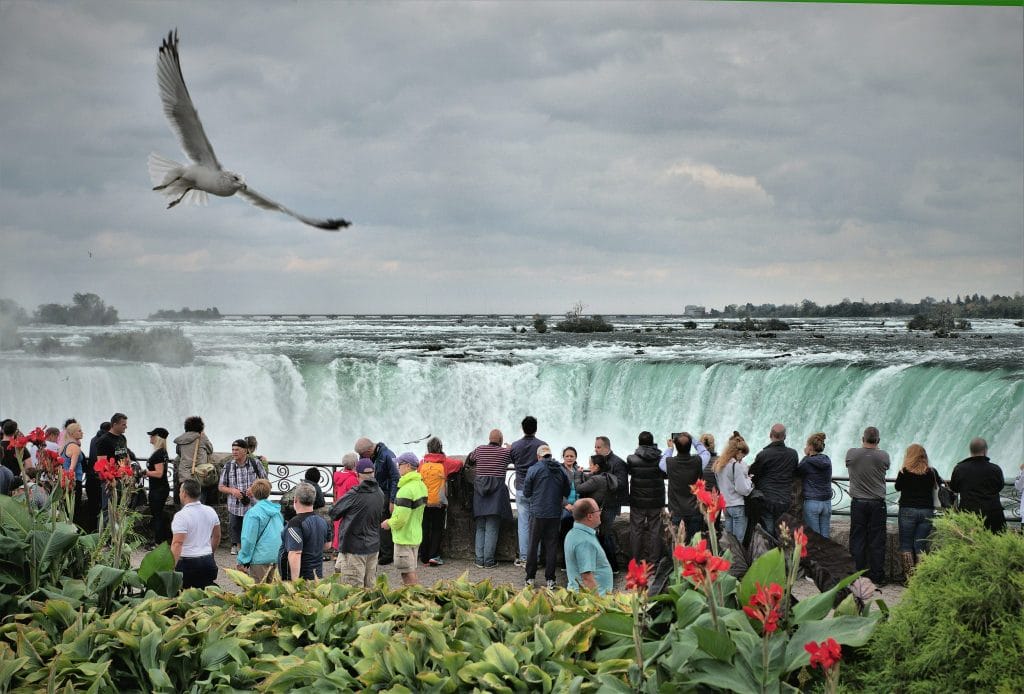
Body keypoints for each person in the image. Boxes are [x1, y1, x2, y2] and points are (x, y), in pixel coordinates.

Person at [330, 458, 387, 587]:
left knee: (353, 590)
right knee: (369, 587)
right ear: (373, 473)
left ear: (357, 474)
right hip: (373, 546)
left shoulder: (355, 494)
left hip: (354, 547)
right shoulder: (380, 493)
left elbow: (334, 513)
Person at [845, 426, 891, 585]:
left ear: (862, 439)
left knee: (857, 539)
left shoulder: (852, 454)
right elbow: (885, 465)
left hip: (858, 503)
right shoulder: (883, 455)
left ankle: (856, 576)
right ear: (878, 441)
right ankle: (877, 576)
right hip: (877, 503)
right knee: (877, 540)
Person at [523, 445, 570, 588]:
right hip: (555, 513)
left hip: (537, 513)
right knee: (551, 546)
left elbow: (527, 493)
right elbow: (566, 491)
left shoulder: (533, 469)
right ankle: (550, 579)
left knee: (533, 545)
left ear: (539, 456)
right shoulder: (561, 470)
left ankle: (530, 577)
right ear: (550, 455)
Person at [467, 429, 513, 568]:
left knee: (480, 527)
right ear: (500, 440)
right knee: (492, 527)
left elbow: (470, 459)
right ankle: (488, 561)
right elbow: (515, 457)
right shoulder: (505, 452)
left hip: (480, 492)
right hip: (496, 493)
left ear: (489, 438)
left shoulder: (480, 449)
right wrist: (510, 448)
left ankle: (479, 559)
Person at [381, 452, 428, 585]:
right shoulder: (421, 486)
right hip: (415, 534)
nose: (397, 467)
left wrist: (388, 523)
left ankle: (414, 598)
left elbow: (401, 518)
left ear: (407, 466)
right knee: (410, 570)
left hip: (404, 537)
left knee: (407, 573)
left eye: (399, 465)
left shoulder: (406, 490)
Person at [418, 437, 464, 566]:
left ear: (428, 449)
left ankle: (424, 556)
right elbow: (459, 464)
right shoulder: (445, 463)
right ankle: (434, 556)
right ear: (440, 448)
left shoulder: (422, 463)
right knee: (437, 528)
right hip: (439, 502)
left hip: (424, 502)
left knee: (425, 528)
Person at [894, 443, 939, 576]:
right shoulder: (931, 472)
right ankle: (921, 578)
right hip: (926, 511)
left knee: (906, 545)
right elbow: (938, 486)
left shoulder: (904, 472)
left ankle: (910, 578)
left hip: (907, 510)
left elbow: (897, 487)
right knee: (920, 546)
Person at [354, 437, 400, 565]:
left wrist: (392, 500)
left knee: (384, 523)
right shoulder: (374, 455)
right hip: (376, 492)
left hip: (385, 493)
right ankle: (378, 550)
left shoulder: (387, 455)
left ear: (369, 450)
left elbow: (395, 478)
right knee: (375, 522)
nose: (361, 457)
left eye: (362, 455)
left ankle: (387, 554)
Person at [219, 439, 268, 556]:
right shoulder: (228, 466)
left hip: (253, 504)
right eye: (233, 450)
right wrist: (232, 491)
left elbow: (265, 480)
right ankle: (236, 546)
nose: (234, 452)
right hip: (234, 505)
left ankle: (251, 548)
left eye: (237, 450)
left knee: (252, 527)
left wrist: (254, 488)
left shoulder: (255, 463)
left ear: (245, 451)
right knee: (235, 526)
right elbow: (221, 486)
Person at [749, 423, 799, 538]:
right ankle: (783, 553)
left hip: (767, 499)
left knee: (768, 529)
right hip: (785, 499)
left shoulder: (763, 454)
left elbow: (754, 474)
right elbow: (794, 472)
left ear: (770, 435)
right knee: (782, 530)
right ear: (785, 437)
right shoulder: (793, 454)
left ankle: (770, 552)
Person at [170, 479, 221, 589]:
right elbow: (216, 536)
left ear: (184, 493)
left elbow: (177, 543)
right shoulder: (211, 511)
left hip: (188, 563)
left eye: (180, 491)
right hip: (207, 561)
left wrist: (172, 566)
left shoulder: (181, 516)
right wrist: (210, 553)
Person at [510, 416, 547, 568]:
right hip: (538, 490)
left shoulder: (515, 446)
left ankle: (524, 557)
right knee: (536, 524)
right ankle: (535, 557)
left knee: (523, 524)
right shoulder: (542, 446)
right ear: (536, 428)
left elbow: (511, 459)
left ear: (522, 428)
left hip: (520, 489)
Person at [662, 432, 711, 544]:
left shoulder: (669, 463)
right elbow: (705, 453)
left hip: (676, 510)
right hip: (694, 510)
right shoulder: (698, 461)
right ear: (690, 446)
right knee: (695, 545)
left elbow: (661, 462)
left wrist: (670, 449)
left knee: (677, 543)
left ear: (676, 446)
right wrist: (692, 439)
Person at [950, 437, 1006, 533]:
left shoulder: (959, 468)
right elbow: (1000, 486)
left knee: (970, 544)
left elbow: (954, 488)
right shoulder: (995, 469)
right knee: (995, 545)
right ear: (985, 450)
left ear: (970, 451)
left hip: (968, 514)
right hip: (993, 514)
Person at [627, 431, 666, 566]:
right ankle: (654, 561)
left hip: (637, 501)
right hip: (656, 501)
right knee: (655, 530)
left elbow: (631, 472)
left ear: (639, 442)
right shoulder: (661, 459)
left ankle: (635, 561)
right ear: (652, 442)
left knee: (636, 530)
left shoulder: (631, 459)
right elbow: (665, 475)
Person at [282, 482, 332, 580]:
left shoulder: (295, 523)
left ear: (295, 500)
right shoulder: (323, 521)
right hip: (317, 575)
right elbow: (327, 545)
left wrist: (295, 583)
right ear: (313, 501)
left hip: (302, 579)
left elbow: (295, 553)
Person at [564, 498, 614, 595]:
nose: (600, 513)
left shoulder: (573, 533)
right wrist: (598, 604)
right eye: (598, 510)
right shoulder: (584, 541)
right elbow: (587, 578)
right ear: (590, 516)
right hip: (589, 601)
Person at [237, 479, 283, 582]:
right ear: (269, 492)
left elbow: (248, 539)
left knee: (258, 593)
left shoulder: (253, 513)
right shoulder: (277, 512)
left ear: (252, 492)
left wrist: (242, 560)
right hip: (276, 557)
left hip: (259, 559)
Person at [594, 435, 627, 571]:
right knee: (600, 533)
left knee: (605, 533)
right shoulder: (600, 461)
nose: (595, 449)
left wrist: (603, 480)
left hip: (611, 503)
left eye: (598, 447)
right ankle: (605, 565)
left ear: (607, 447)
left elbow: (622, 483)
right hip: (601, 503)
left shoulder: (618, 462)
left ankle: (613, 567)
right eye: (595, 447)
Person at [713, 432, 753, 541]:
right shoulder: (736, 466)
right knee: (738, 543)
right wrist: (749, 481)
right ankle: (735, 559)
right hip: (737, 505)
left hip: (726, 506)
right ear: (738, 452)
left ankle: (726, 558)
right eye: (743, 455)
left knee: (729, 541)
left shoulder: (719, 464)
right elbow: (743, 490)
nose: (742, 458)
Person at [797, 432, 833, 538]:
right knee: (825, 538)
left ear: (811, 447)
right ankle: (827, 555)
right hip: (827, 503)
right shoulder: (827, 460)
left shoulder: (807, 462)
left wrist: (806, 456)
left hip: (812, 503)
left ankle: (818, 555)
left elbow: (796, 472)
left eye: (807, 445)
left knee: (814, 538)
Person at [173, 416, 214, 504]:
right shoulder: (201, 438)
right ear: (200, 427)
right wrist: (204, 435)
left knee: (185, 503)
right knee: (199, 502)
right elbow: (210, 449)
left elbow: (178, 452)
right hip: (198, 475)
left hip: (184, 476)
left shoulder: (181, 440)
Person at [144, 427, 172, 546]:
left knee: (157, 515)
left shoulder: (159, 453)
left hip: (158, 489)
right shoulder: (162, 452)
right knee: (158, 514)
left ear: (158, 438)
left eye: (152, 436)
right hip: (161, 488)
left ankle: (158, 542)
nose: (150, 438)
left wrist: (144, 472)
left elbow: (159, 473)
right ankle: (161, 540)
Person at [81, 421, 110, 533]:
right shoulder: (106, 440)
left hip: (90, 478)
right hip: (100, 478)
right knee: (104, 507)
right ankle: (102, 533)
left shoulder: (93, 439)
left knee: (92, 508)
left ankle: (91, 532)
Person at [558, 447, 586, 554]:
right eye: (567, 456)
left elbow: (583, 488)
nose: (569, 458)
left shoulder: (577, 470)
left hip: (577, 505)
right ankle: (566, 558)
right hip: (565, 506)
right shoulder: (560, 471)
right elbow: (557, 491)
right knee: (566, 530)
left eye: (572, 456)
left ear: (575, 457)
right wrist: (565, 504)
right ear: (563, 457)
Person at [331, 452, 360, 551]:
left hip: (338, 508)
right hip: (347, 510)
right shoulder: (352, 479)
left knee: (338, 530)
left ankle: (336, 552)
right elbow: (356, 498)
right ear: (355, 464)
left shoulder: (337, 476)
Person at [60, 422, 87, 523]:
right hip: (73, 481)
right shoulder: (75, 447)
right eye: (79, 431)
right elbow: (72, 467)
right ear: (72, 433)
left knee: (67, 508)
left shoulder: (65, 445)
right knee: (75, 509)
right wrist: (71, 481)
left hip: (65, 481)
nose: (82, 433)